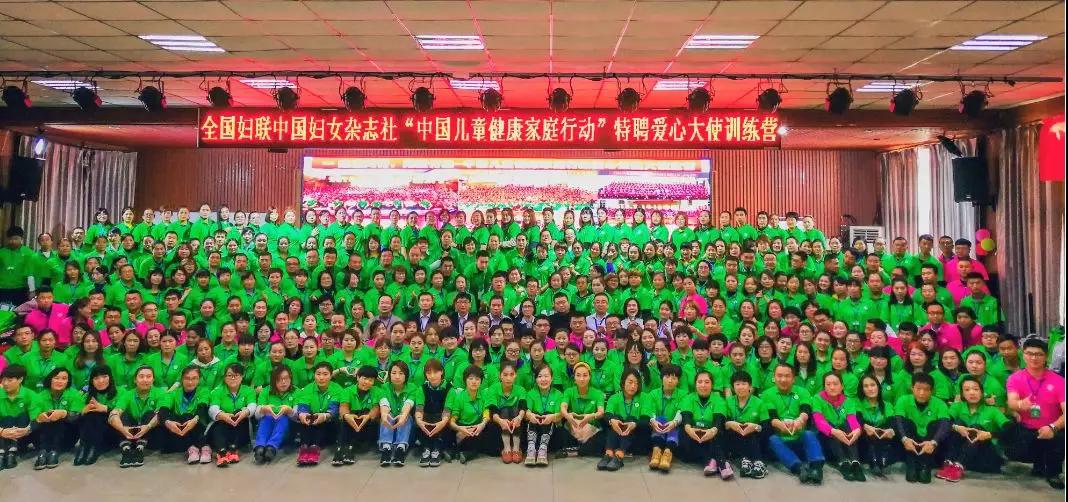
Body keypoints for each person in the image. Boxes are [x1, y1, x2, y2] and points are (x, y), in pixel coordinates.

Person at [1004, 338, 1066, 489]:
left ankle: (1053, 472)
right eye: (1029, 353)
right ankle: (1038, 463)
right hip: (1027, 427)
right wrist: (1020, 405)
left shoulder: (1059, 381)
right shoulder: (1015, 378)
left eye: (1039, 354)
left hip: (1052, 428)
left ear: (1046, 357)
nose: (1033, 358)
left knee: (1058, 438)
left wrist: (1053, 427)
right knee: (1014, 449)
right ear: (1023, 354)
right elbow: (1012, 402)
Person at [936, 376, 1010, 482]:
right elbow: (944, 423)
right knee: (958, 424)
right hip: (962, 453)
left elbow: (1010, 429)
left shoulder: (992, 410)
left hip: (985, 457)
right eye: (967, 390)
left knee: (976, 428)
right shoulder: (958, 407)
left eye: (975, 389)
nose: (972, 393)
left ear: (982, 392)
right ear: (962, 394)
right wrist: (956, 427)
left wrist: (990, 434)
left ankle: (959, 466)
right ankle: (949, 464)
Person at [762, 364, 825, 484]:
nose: (783, 379)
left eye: (787, 376)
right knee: (773, 439)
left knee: (809, 434)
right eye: (779, 376)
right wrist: (781, 425)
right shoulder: (767, 394)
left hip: (799, 437)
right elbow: (772, 418)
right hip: (781, 441)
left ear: (793, 378)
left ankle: (816, 469)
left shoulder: (803, 392)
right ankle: (799, 469)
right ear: (774, 378)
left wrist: (799, 420)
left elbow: (805, 411)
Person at [893, 372, 950, 483]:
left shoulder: (940, 403)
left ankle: (925, 465)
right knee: (905, 422)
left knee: (936, 424)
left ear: (932, 391)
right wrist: (904, 439)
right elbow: (898, 421)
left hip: (930, 442)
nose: (922, 393)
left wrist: (933, 442)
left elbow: (944, 425)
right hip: (910, 440)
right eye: (918, 389)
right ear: (912, 388)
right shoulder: (903, 400)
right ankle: (912, 464)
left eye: (926, 389)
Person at [811, 372, 865, 481]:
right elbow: (819, 421)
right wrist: (833, 431)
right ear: (824, 386)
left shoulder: (848, 401)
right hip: (825, 438)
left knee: (849, 426)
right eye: (828, 384)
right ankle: (843, 462)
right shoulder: (817, 399)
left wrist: (857, 430)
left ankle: (855, 462)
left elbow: (852, 419)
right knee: (830, 425)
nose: (832, 387)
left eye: (835, 384)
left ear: (842, 386)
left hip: (843, 438)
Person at [108, 366, 164, 468]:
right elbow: (114, 413)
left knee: (151, 414)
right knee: (123, 415)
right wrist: (122, 428)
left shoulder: (160, 393)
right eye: (141, 376)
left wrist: (147, 427)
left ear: (153, 379)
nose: (145, 380)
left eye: (148, 376)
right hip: (128, 433)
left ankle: (140, 449)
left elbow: (161, 414)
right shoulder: (127, 394)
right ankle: (126, 450)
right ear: (135, 379)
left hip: (149, 434)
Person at [680, 370, 730, 479]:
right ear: (695, 384)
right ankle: (718, 461)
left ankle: (714, 463)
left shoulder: (719, 400)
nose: (703, 385)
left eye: (707, 382)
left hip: (711, 434)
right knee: (684, 433)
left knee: (718, 434)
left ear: (712, 384)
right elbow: (686, 422)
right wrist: (691, 431)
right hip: (693, 435)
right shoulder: (688, 398)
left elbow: (718, 422)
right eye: (700, 382)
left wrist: (711, 431)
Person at [157, 366, 210, 465]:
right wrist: (167, 422)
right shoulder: (174, 393)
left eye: (194, 378)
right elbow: (163, 409)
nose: (190, 382)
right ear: (181, 379)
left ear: (199, 379)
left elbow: (202, 408)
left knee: (189, 416)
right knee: (169, 420)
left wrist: (194, 420)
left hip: (196, 426)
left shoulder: (204, 391)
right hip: (179, 429)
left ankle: (196, 447)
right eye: (187, 378)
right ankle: (198, 446)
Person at [206, 363, 256, 467]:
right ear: (224, 377)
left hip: (240, 427)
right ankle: (221, 452)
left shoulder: (249, 390)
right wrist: (222, 414)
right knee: (220, 422)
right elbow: (212, 409)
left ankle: (234, 449)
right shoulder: (217, 391)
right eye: (229, 375)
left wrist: (245, 412)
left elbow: (252, 406)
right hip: (223, 426)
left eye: (236, 375)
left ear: (242, 377)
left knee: (241, 415)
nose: (233, 378)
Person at [293, 361, 342, 466]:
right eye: (318, 374)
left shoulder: (337, 389)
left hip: (329, 424)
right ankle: (304, 448)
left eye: (325, 374)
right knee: (305, 420)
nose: (321, 377)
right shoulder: (308, 388)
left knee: (321, 423)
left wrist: (324, 416)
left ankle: (314, 449)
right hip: (312, 421)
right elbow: (303, 407)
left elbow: (333, 410)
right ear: (314, 375)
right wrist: (302, 415)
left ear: (331, 375)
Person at [336, 365, 380, 466]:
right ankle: (341, 449)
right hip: (350, 423)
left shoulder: (378, 391)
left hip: (367, 424)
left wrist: (368, 416)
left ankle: (349, 448)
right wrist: (347, 416)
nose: (367, 382)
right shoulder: (347, 391)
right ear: (357, 377)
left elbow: (375, 409)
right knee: (344, 418)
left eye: (370, 380)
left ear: (374, 381)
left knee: (365, 412)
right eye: (364, 378)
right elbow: (343, 407)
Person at [446, 365, 490, 463]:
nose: (474, 382)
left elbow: (486, 412)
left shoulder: (484, 395)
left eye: (477, 379)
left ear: (481, 381)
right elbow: (452, 421)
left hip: (477, 427)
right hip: (462, 427)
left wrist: (482, 424)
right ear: (465, 380)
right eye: (470, 379)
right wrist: (460, 429)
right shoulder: (459, 397)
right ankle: (462, 452)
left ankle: (459, 452)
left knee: (484, 432)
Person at [644, 363, 683, 473]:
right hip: (657, 426)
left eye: (674, 378)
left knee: (675, 427)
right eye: (667, 377)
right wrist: (653, 421)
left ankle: (667, 453)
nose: (670, 381)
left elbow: (681, 411)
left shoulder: (683, 394)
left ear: (678, 381)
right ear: (661, 378)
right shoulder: (653, 394)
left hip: (674, 426)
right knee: (660, 419)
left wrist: (674, 422)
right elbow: (650, 410)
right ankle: (656, 452)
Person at [253, 365, 295, 465]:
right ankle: (260, 447)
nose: (283, 382)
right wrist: (263, 409)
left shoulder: (296, 391)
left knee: (283, 418)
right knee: (266, 417)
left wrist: (289, 410)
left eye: (286, 378)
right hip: (268, 427)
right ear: (273, 381)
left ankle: (271, 447)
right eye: (279, 379)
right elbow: (256, 415)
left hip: (288, 430)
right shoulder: (266, 391)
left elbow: (298, 416)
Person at [377, 360, 416, 467]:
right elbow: (384, 404)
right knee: (387, 416)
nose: (397, 376)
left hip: (404, 421)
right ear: (389, 374)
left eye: (401, 373)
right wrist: (384, 415)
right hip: (390, 420)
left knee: (406, 417)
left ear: (406, 375)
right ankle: (386, 448)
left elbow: (408, 404)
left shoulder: (412, 387)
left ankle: (400, 448)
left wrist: (403, 416)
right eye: (394, 373)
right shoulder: (384, 387)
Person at [523, 364, 562, 467]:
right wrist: (530, 415)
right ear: (536, 379)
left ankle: (542, 451)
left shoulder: (558, 394)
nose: (543, 379)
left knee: (547, 413)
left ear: (552, 378)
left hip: (551, 433)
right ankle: (531, 450)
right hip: (534, 430)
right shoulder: (530, 393)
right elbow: (526, 411)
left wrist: (551, 417)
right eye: (540, 376)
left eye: (546, 376)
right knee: (533, 415)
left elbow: (560, 415)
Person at [487, 361, 525, 465]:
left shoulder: (520, 389)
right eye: (505, 374)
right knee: (505, 410)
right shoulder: (493, 388)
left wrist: (519, 418)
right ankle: (507, 448)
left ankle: (516, 448)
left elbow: (523, 407)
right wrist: (500, 421)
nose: (508, 378)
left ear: (516, 375)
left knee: (514, 410)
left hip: (516, 421)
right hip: (499, 422)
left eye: (512, 374)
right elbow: (493, 409)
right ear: (500, 376)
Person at [856, 374, 895, 477]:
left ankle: (880, 462)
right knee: (866, 429)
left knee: (885, 430)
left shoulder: (887, 405)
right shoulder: (857, 403)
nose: (870, 389)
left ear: (878, 386)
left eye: (873, 385)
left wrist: (890, 430)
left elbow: (891, 422)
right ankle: (874, 462)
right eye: (866, 386)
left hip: (882, 439)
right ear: (862, 389)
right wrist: (865, 426)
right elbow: (857, 420)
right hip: (864, 440)